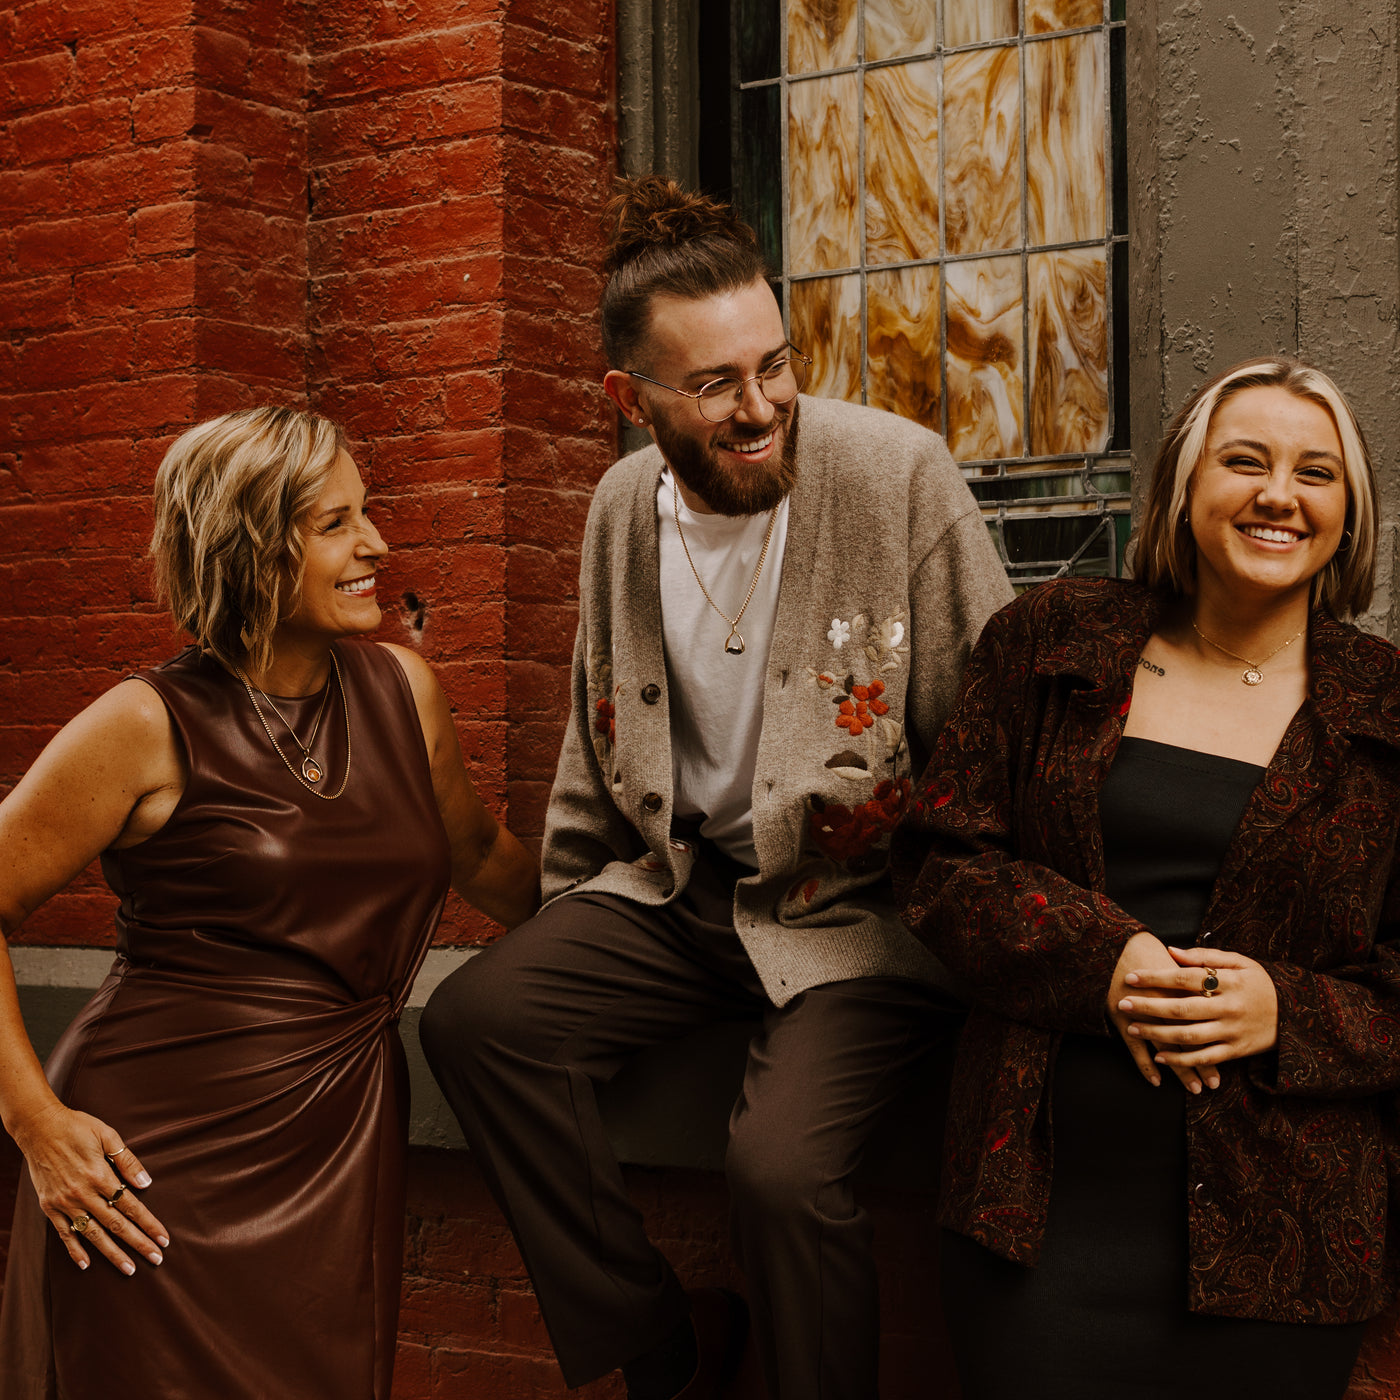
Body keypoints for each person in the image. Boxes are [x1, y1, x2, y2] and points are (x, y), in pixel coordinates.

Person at [419, 175, 1013, 1400]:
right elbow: (599, 741)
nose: (760, 408)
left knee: (780, 1170)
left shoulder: (895, 474)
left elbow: (995, 736)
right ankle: (663, 1348)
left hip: (860, 916)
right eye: (714, 386)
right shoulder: (613, 514)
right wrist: (574, 910)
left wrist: (1005, 947)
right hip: (681, 893)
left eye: (774, 366)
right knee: (476, 1022)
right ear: (628, 401)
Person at [0, 407, 539, 1400]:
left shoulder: (402, 691)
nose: (376, 542)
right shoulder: (143, 722)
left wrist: (640, 922)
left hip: (336, 1144)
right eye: (336, 523)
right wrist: (35, 1120)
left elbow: (481, 857)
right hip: (149, 1167)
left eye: (366, 512)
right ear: (253, 546)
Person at [891, 355, 1399, 1400]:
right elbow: (940, 860)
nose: (1276, 493)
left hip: (1284, 1241)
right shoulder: (1048, 641)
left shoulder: (1387, 710)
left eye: (1315, 473)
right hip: (1030, 1216)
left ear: (1347, 515)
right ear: (1181, 485)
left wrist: (1280, 1008)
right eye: (1244, 460)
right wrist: (1101, 957)